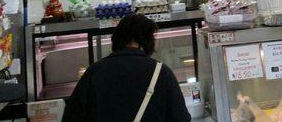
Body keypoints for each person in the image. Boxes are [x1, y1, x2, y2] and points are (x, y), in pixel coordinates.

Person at [62, 14, 191, 122]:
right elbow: (181, 119)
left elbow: (71, 117)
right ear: (147, 41)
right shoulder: (161, 73)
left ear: (116, 39)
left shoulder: (94, 72)